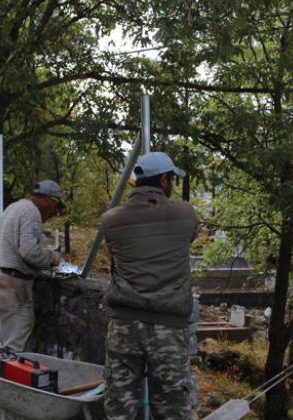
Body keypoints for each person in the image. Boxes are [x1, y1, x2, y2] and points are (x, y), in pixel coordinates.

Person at [101, 152, 199, 419]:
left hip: (124, 327)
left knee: (119, 406)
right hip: (168, 328)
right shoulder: (186, 213)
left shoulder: (111, 219)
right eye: (172, 180)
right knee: (170, 409)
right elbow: (186, 240)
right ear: (165, 180)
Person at [0, 180, 66, 352]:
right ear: (49, 199)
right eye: (55, 208)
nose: (53, 214)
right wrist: (52, 258)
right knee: (17, 339)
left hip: (3, 277)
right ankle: (10, 375)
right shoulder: (31, 213)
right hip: (15, 282)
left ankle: (7, 371)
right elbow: (28, 252)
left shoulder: (15, 207)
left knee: (8, 335)